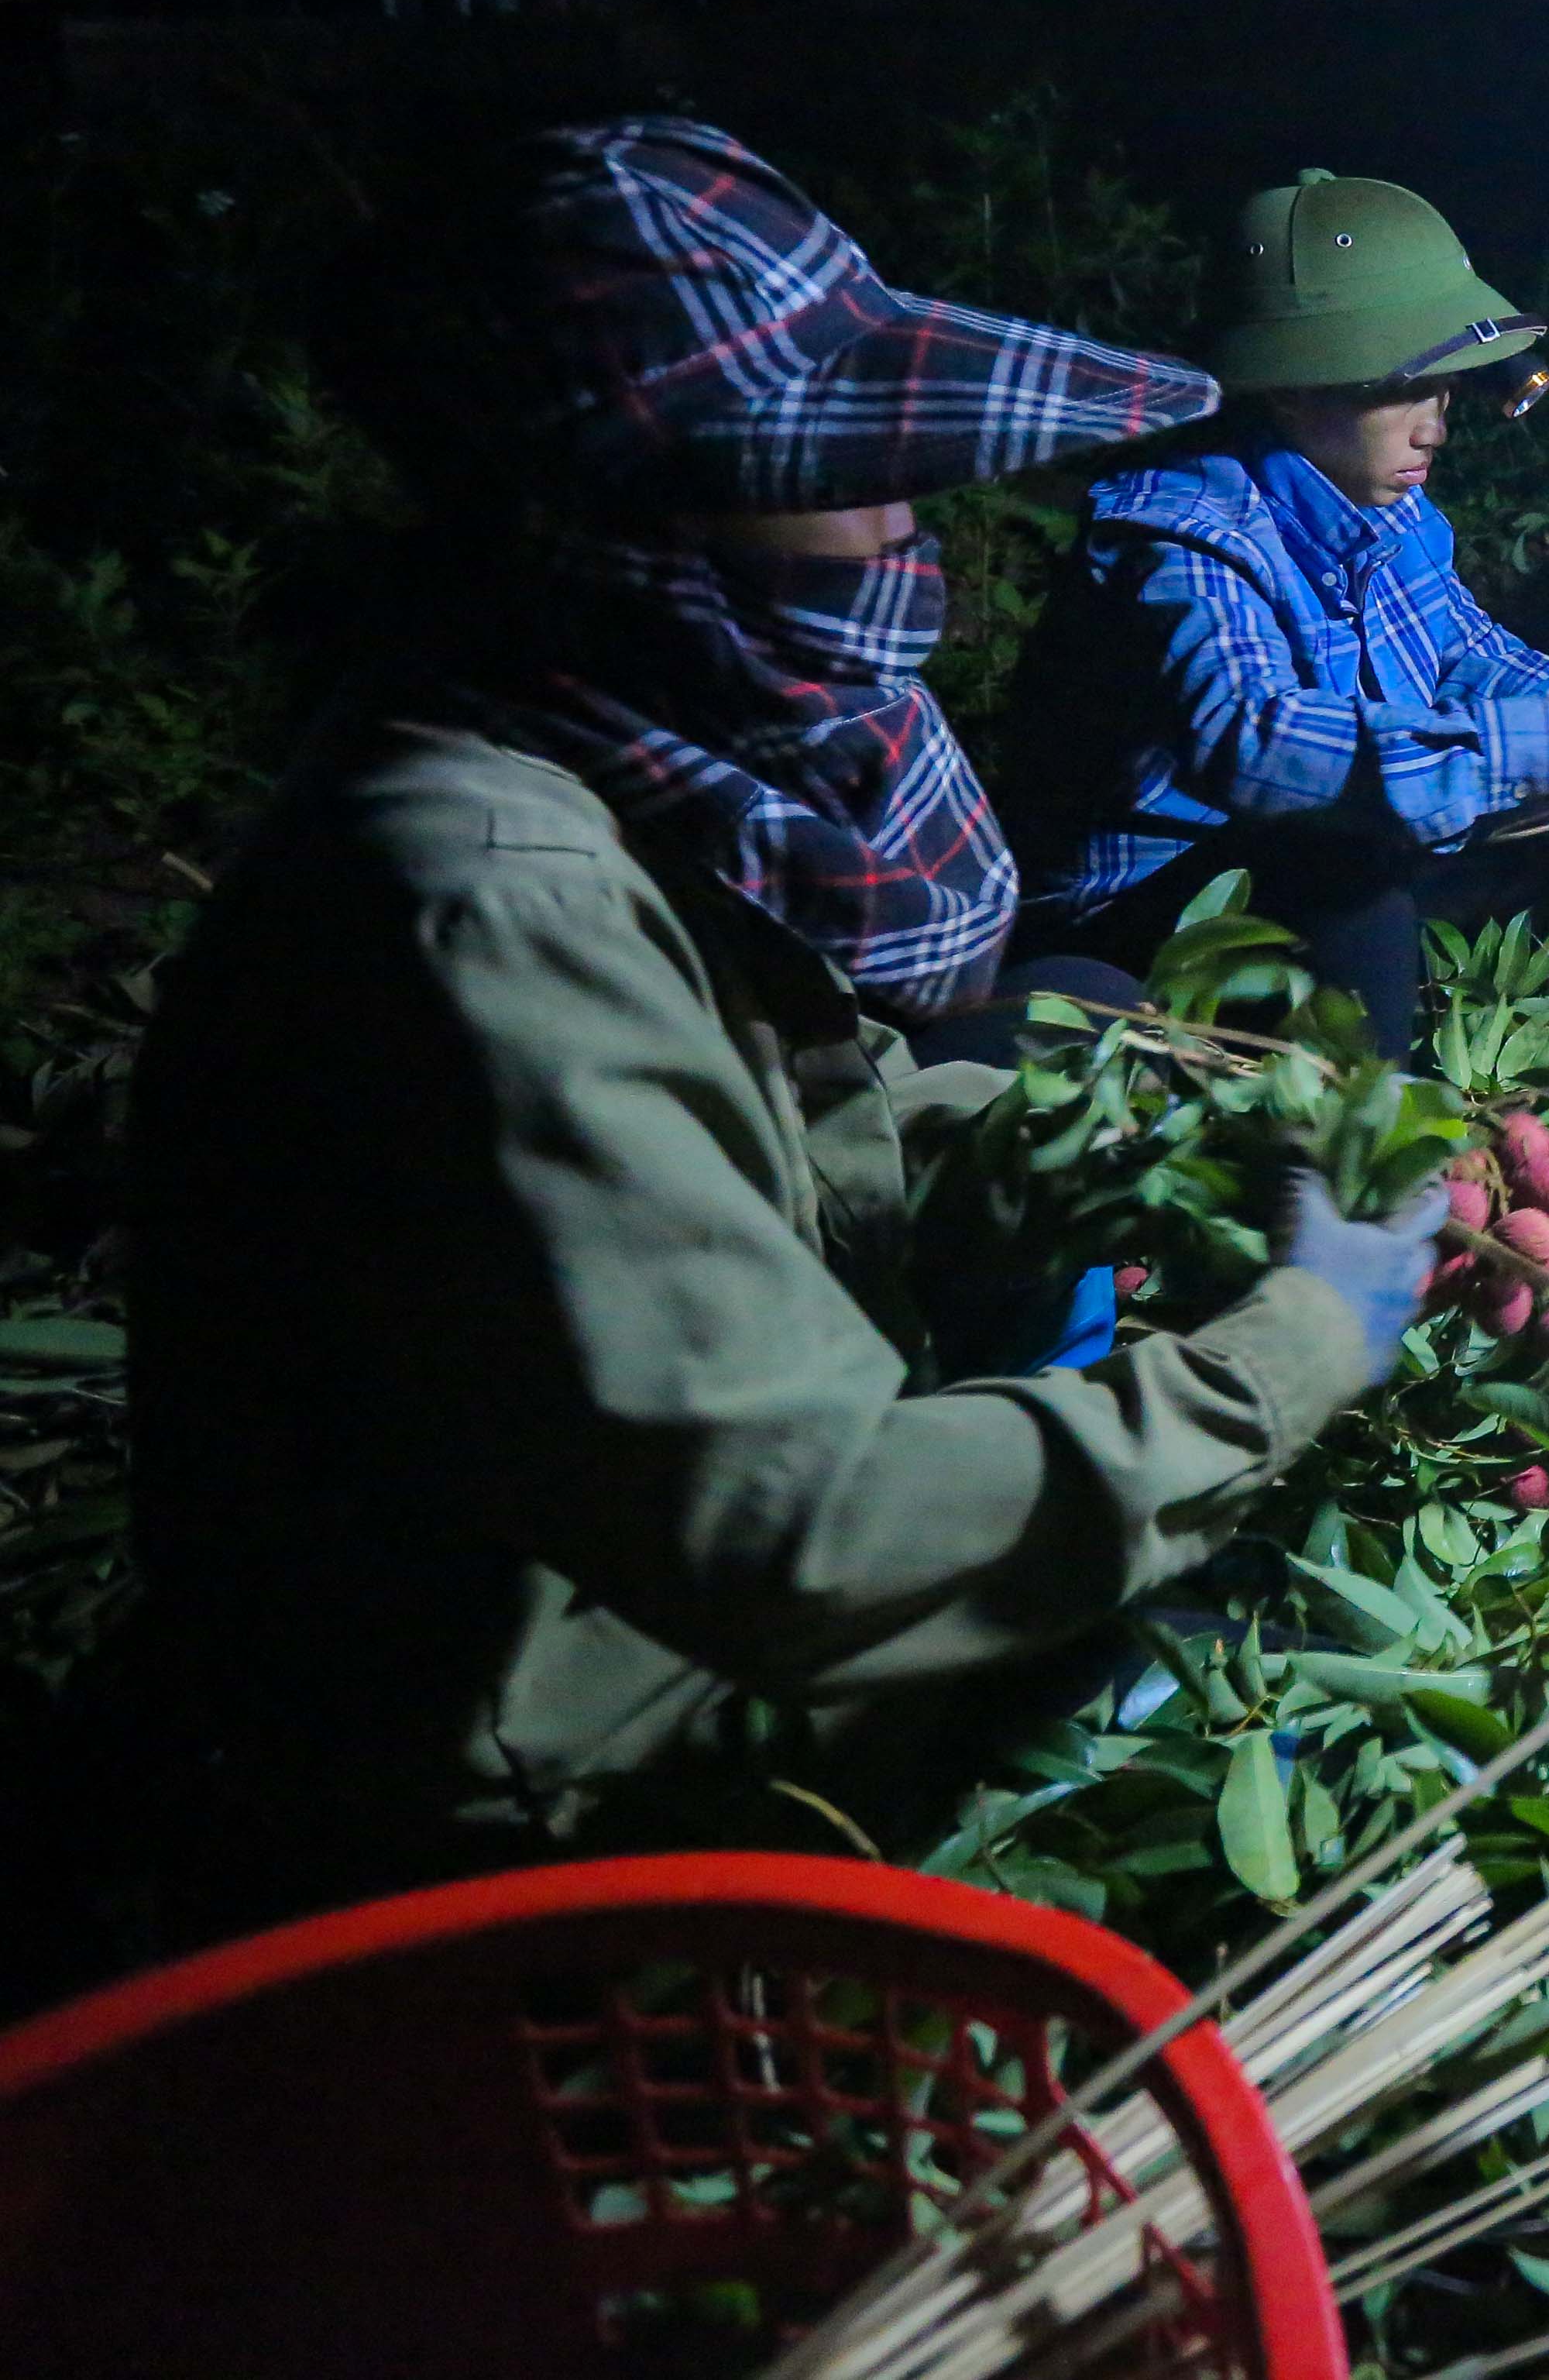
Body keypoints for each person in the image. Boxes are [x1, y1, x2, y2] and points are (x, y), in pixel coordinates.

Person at [107, 119, 1441, 1943]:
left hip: (641, 1652)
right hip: (540, 1798)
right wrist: (1285, 1356)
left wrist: (1159, 1166)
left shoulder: (579, 736)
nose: (911, 525)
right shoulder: (489, 896)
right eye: (857, 472)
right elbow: (801, 1526)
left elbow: (799, 1143)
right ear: (634, 510)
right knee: (1264, 1698)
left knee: (1080, 1066)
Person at [1008, 172, 1549, 1051]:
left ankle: (1469, 1031)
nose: (1434, 427)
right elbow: (1257, 743)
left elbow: (1472, 657)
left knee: (1544, 808)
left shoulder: (1388, 512)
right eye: (1403, 390)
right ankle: (1378, 1145)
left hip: (1289, 902)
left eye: (1446, 390)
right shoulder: (1182, 530)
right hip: (1135, 929)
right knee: (1348, 857)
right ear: (1291, 389)